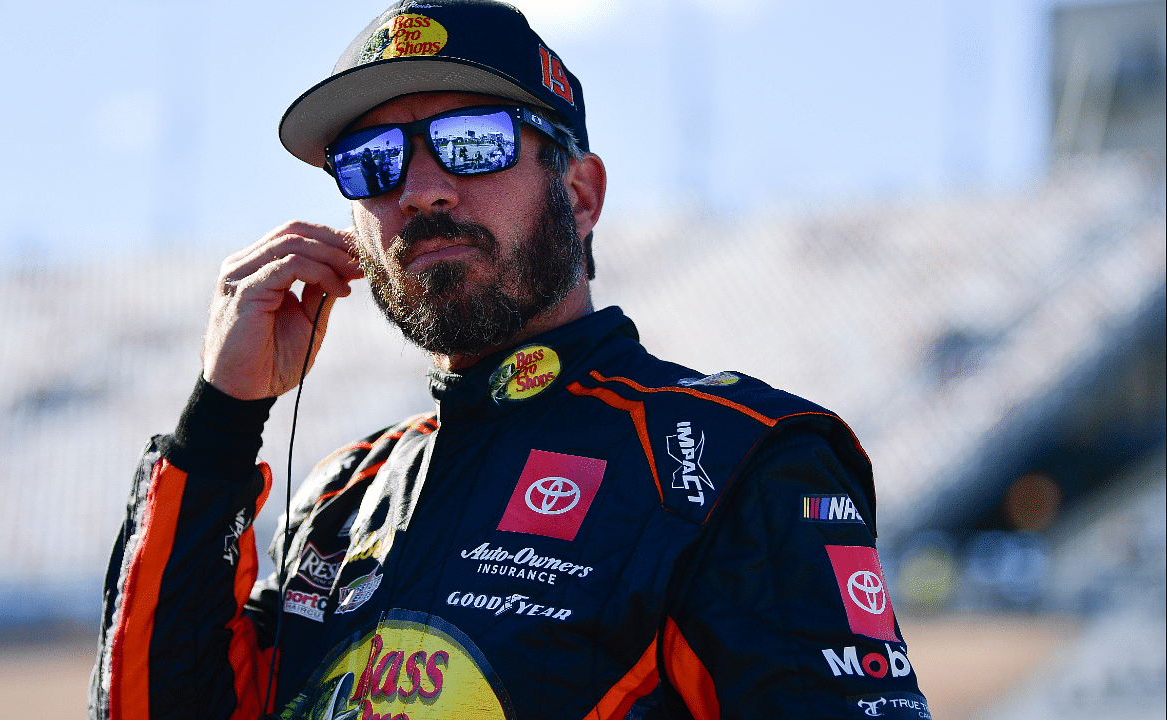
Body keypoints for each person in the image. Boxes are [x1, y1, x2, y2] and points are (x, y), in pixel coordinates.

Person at [89, 1, 929, 719]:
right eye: (373, 163)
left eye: (470, 140)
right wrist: (222, 425)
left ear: (581, 193)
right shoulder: (343, 494)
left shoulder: (735, 461)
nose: (420, 189)